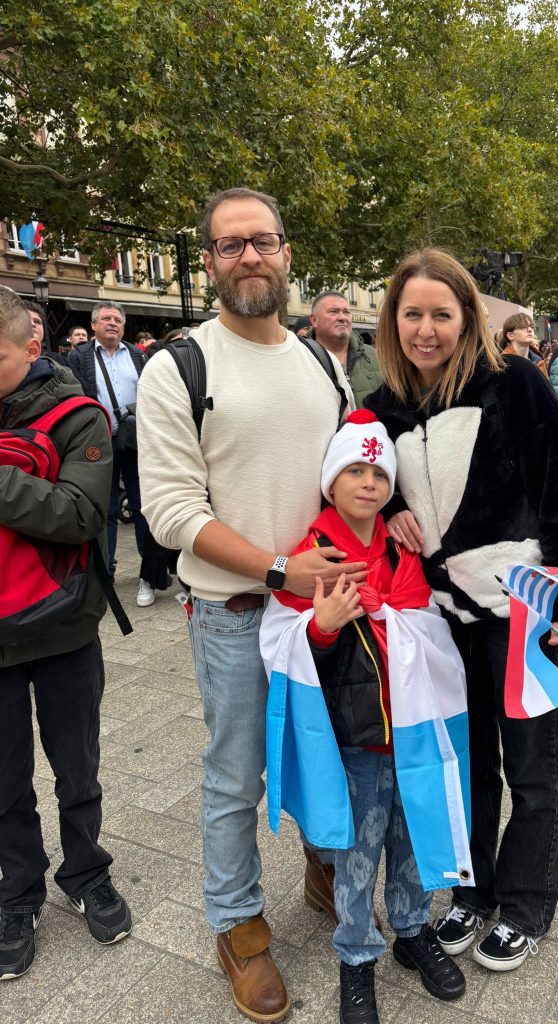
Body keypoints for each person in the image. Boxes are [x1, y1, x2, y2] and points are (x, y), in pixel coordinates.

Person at [136, 187, 358, 1024]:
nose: (250, 256)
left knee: (331, 754)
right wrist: (278, 570)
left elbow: (347, 477)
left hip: (323, 609)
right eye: (230, 246)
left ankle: (324, 871)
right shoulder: (180, 366)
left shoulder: (321, 363)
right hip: (235, 615)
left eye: (262, 240)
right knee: (236, 776)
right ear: (208, 263)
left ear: (287, 251)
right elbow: (171, 513)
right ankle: (237, 925)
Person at [366, 248, 558, 972]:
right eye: (412, 314)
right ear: (393, 321)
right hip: (440, 619)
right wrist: (390, 509)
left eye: (441, 314)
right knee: (466, 764)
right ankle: (473, 891)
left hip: (523, 610)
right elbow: (352, 483)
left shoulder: (516, 383)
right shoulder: (381, 406)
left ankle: (526, 903)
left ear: (467, 317)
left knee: (532, 767)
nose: (426, 329)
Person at [261, 409, 469, 1024]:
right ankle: (356, 955)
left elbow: (423, 623)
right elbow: (284, 644)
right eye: (354, 470)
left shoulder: (402, 549)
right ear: (330, 481)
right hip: (352, 737)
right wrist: (322, 628)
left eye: (379, 474)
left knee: (412, 836)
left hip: (411, 730)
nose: (369, 483)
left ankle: (412, 929)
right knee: (356, 854)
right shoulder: (311, 555)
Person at [0, 290, 131, 982]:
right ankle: (17, 894)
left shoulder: (77, 414)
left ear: (32, 347)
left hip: (63, 624)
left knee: (76, 765)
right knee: (3, 779)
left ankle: (86, 872)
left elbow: (81, 514)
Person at [67, 302, 153, 605]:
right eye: (106, 318)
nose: (112, 323)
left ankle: (148, 574)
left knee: (142, 506)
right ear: (94, 325)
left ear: (124, 326)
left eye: (117, 319)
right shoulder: (79, 357)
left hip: (134, 441)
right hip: (97, 442)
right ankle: (107, 571)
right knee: (105, 509)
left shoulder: (138, 356)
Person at [310, 290, 382, 405]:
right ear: (314, 320)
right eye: (333, 312)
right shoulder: (300, 359)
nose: (343, 317)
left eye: (346, 312)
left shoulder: (376, 357)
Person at [499, 312, 548, 377]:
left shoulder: (539, 362)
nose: (530, 330)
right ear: (510, 335)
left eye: (532, 327)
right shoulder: (503, 364)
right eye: (523, 327)